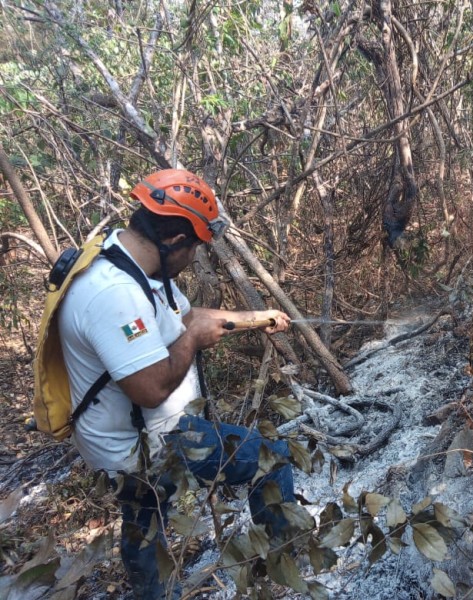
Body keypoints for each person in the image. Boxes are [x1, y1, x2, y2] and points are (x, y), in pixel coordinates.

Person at [57, 168, 295, 599]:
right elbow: (150, 388)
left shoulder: (133, 263)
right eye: (197, 247)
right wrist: (192, 340)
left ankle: (153, 591)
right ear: (174, 241)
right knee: (272, 457)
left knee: (145, 517)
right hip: (145, 443)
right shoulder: (112, 295)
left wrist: (255, 319)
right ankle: (286, 562)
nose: (197, 256)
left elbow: (186, 319)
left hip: (128, 434)